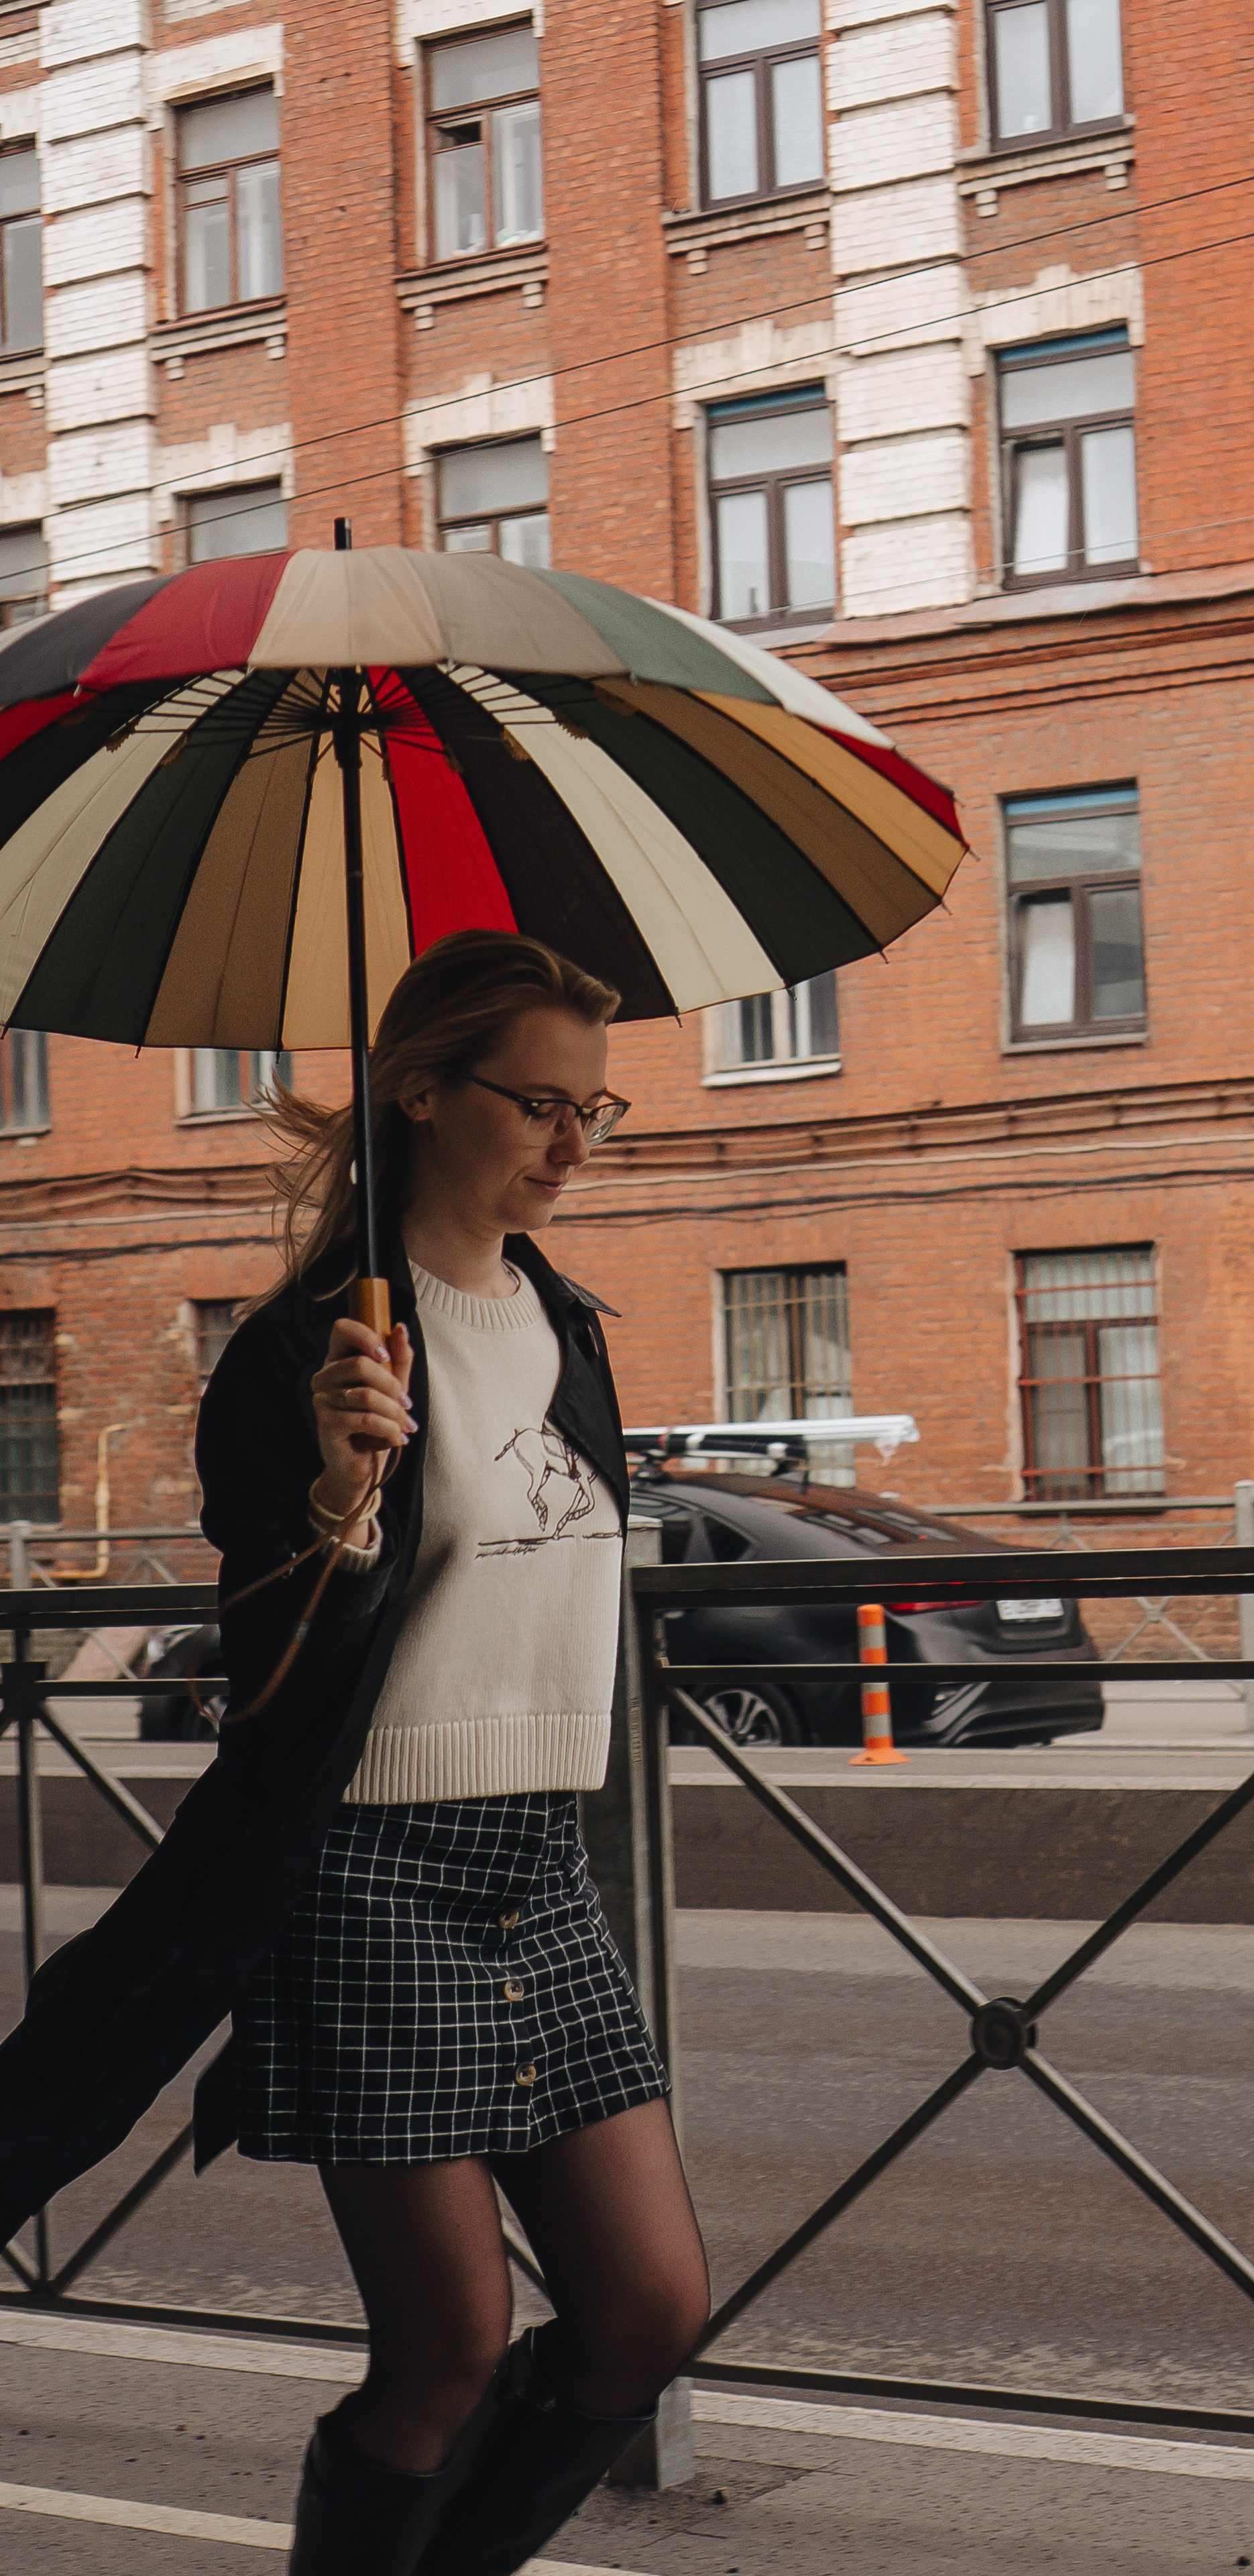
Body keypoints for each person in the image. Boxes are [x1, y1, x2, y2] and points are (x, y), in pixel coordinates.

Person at [193, 929, 709, 2574]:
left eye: (596, 1111)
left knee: (644, 2309)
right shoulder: (309, 1351)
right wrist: (339, 1499)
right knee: (448, 2351)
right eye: (539, 1103)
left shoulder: (566, 1321)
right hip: (366, 1861)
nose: (572, 1144)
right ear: (419, 1090)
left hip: (535, 1857)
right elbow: (261, 1661)